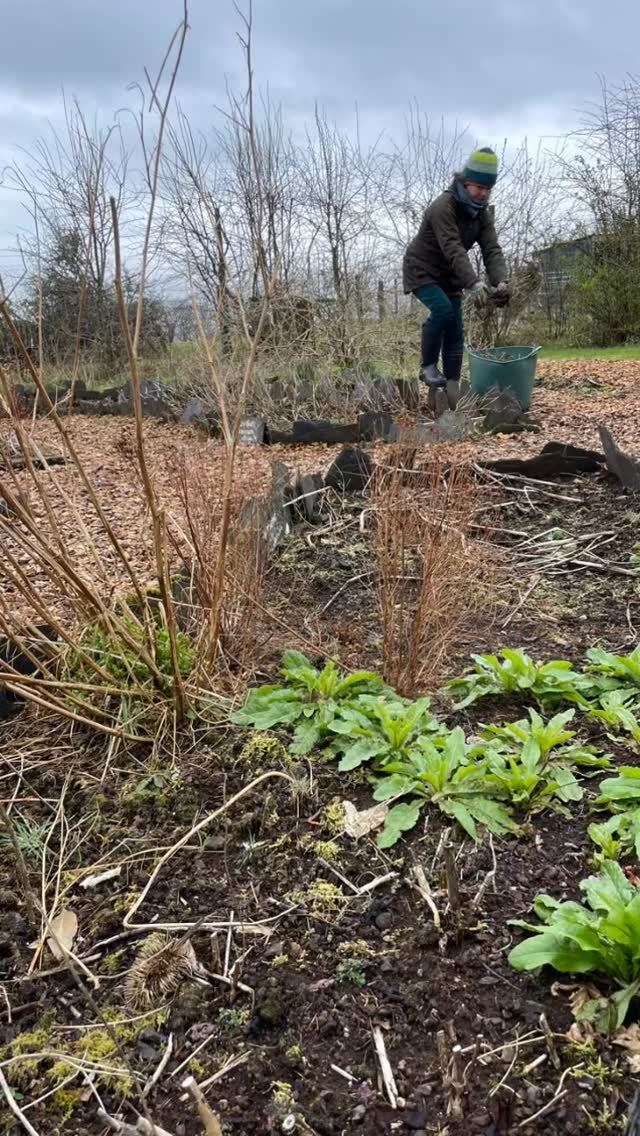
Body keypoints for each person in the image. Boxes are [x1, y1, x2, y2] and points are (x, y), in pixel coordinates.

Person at [402, 146, 509, 407]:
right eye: (478, 187)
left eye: (488, 189)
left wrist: (501, 281)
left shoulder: (481, 214)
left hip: (450, 276)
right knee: (443, 311)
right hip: (422, 269)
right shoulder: (443, 207)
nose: (483, 194)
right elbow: (452, 248)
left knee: (456, 332)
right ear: (465, 181)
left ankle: (451, 387)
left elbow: (491, 248)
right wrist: (474, 283)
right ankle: (427, 366)